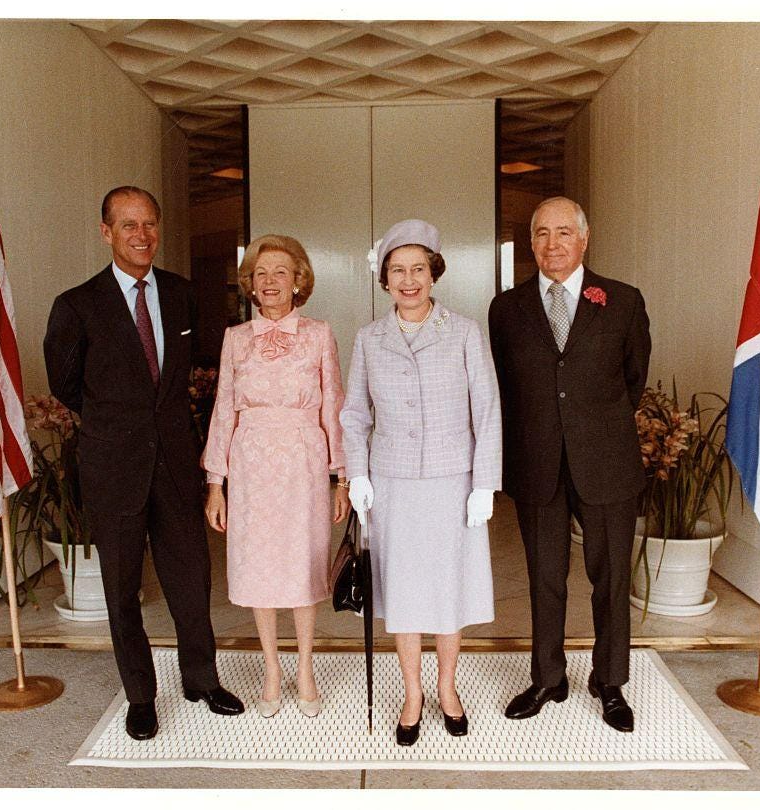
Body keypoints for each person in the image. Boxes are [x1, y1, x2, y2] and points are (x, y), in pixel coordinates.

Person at [44, 186, 243, 741]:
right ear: (106, 232)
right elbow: (65, 384)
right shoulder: (77, 305)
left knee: (191, 578)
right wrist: (117, 423)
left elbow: (191, 372)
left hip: (177, 464)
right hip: (114, 467)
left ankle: (200, 680)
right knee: (121, 587)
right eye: (129, 225)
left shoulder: (181, 294)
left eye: (150, 224)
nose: (142, 235)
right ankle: (140, 696)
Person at [488, 196, 651, 733]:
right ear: (530, 242)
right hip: (536, 462)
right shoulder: (506, 310)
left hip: (605, 460)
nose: (552, 244)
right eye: (541, 233)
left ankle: (609, 682)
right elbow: (507, 389)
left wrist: (590, 427)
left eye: (563, 232)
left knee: (608, 580)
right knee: (544, 578)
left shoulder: (623, 302)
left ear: (584, 239)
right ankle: (547, 678)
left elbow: (632, 381)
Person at [341, 219, 501, 746]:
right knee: (406, 594)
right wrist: (359, 477)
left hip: (454, 483)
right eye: (397, 270)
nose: (408, 280)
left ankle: (448, 689)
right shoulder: (369, 339)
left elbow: (488, 410)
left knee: (450, 589)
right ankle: (412, 693)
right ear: (384, 279)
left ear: (433, 273)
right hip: (394, 485)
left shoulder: (464, 332)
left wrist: (485, 483)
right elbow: (355, 415)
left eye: (417, 269)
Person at [202, 235, 349, 719]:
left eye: (280, 272)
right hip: (251, 463)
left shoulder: (319, 333)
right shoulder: (235, 339)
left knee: (303, 565)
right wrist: (216, 483)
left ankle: (304, 668)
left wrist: (341, 478)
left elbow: (334, 405)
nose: (270, 282)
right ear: (250, 282)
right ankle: (270, 670)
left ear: (298, 280)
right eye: (261, 273)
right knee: (259, 566)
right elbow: (224, 408)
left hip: (304, 461)